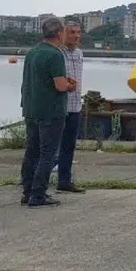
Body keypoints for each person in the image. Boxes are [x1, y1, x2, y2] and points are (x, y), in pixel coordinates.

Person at [19, 17, 75, 207]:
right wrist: (70, 85)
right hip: (51, 110)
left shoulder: (33, 52)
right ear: (59, 33)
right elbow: (60, 86)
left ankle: (27, 191)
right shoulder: (55, 54)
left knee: (31, 151)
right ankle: (38, 195)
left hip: (31, 108)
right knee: (48, 153)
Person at [54, 21, 86, 194]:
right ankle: (32, 178)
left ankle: (64, 181)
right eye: (72, 32)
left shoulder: (80, 53)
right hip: (59, 106)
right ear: (63, 34)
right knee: (50, 145)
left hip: (75, 106)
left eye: (78, 32)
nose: (76, 36)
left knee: (69, 145)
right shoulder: (57, 53)